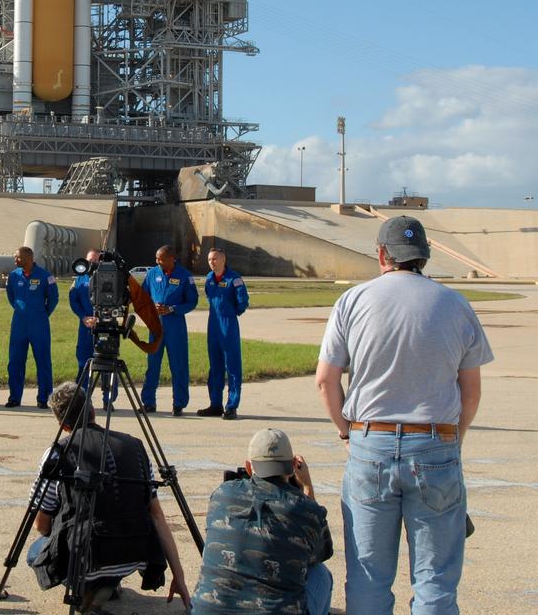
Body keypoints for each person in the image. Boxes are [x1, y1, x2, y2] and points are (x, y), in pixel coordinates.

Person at [315, 216, 494, 614]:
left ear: (381, 253)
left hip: (370, 442)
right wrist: (453, 438)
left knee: (367, 576)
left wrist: (348, 434)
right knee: (435, 579)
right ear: (424, 257)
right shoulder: (455, 304)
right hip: (435, 443)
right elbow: (472, 390)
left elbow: (326, 381)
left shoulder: (353, 301)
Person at [27, 382, 190, 613]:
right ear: (93, 412)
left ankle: (87, 588)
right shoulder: (136, 445)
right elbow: (157, 516)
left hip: (88, 553)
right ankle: (107, 581)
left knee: (35, 551)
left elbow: (40, 524)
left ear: (63, 426)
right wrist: (179, 576)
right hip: (134, 551)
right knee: (109, 540)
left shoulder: (57, 452)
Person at [192, 429, 333, 615]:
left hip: (207, 610)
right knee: (321, 574)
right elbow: (319, 554)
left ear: (249, 467)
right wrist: (307, 487)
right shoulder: (307, 509)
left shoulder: (222, 494)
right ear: (292, 467)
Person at [140, 245, 198, 415]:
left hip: (175, 326)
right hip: (156, 326)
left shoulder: (185, 276)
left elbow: (192, 301)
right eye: (157, 258)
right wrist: (152, 307)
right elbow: (143, 296)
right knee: (152, 364)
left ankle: (179, 404)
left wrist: (172, 309)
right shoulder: (152, 274)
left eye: (161, 259)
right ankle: (149, 402)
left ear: (172, 258)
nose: (157, 262)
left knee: (178, 365)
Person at [197, 249, 249, 420]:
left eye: (215, 259)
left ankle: (232, 406)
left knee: (232, 367)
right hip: (213, 326)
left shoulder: (234, 278)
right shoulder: (210, 278)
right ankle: (215, 404)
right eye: (209, 259)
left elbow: (243, 301)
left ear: (223, 259)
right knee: (215, 367)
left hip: (228, 326)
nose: (211, 262)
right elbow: (209, 297)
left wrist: (230, 313)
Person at [5, 246, 60, 408]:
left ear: (28, 258)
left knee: (43, 362)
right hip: (19, 325)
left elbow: (54, 299)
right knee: (15, 362)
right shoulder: (14, 276)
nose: (15, 260)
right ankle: (14, 397)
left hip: (39, 325)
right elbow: (11, 295)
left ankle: (44, 398)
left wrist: (42, 314)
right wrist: (20, 309)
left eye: (18, 257)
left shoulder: (45, 276)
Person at [68, 249, 116, 406]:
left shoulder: (111, 276)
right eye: (89, 261)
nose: (92, 264)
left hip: (106, 326)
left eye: (95, 261)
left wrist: (104, 317)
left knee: (107, 363)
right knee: (84, 362)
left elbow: (118, 299)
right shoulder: (79, 280)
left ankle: (108, 399)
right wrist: (83, 317)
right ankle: (81, 399)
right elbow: (73, 300)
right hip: (86, 327)